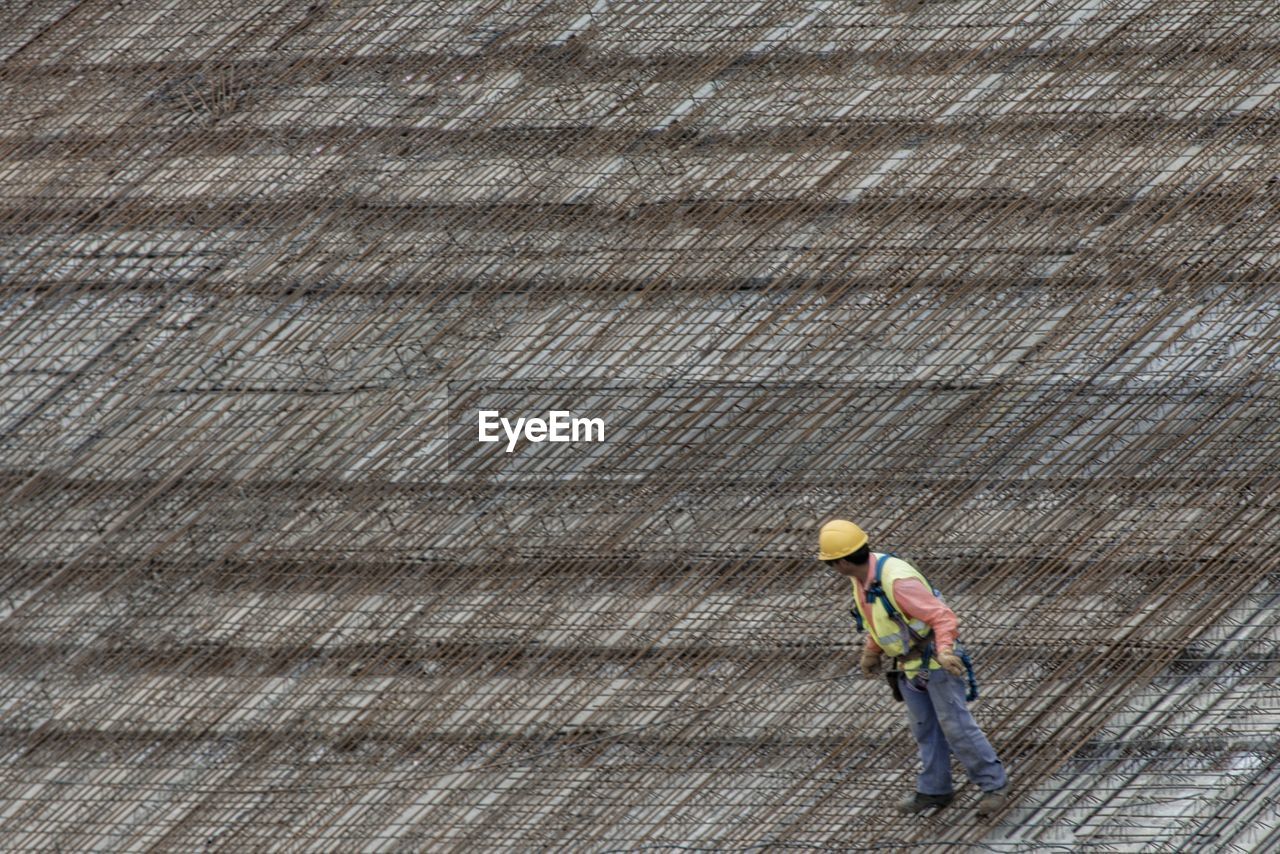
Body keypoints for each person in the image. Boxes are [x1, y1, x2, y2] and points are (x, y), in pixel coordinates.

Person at [818, 519, 1009, 816]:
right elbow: (881, 618)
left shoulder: (897, 581)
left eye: (830, 563)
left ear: (842, 562)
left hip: (935, 661)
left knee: (956, 727)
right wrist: (872, 650)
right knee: (925, 728)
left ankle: (993, 786)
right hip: (908, 665)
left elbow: (943, 617)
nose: (831, 569)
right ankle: (935, 790)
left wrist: (945, 652)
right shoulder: (862, 577)